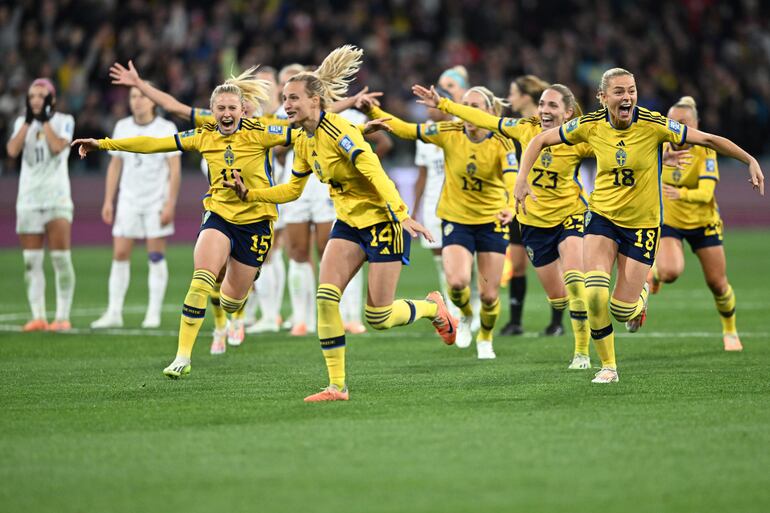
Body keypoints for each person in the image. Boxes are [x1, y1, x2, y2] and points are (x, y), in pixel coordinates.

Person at [224, 45, 456, 401]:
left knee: (378, 317)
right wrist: (250, 195)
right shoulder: (303, 139)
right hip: (348, 224)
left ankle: (432, 308)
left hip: (382, 222)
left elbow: (372, 168)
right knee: (326, 297)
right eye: (284, 98)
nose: (286, 104)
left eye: (293, 98)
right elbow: (290, 190)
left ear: (316, 100)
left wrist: (401, 212)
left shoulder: (340, 131)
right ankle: (337, 386)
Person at [515, 68, 764, 383]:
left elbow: (708, 139)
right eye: (619, 91)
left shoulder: (653, 124)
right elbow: (540, 140)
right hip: (602, 218)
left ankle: (641, 295)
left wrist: (749, 159)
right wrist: (522, 178)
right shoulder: (589, 125)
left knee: (622, 310)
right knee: (594, 293)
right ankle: (609, 367)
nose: (627, 97)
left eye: (631, 90)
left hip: (642, 226)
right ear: (603, 97)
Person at [73, 67, 294, 378]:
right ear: (212, 111)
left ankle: (234, 311)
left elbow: (307, 130)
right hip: (218, 215)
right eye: (221, 109)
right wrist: (105, 144)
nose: (227, 113)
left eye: (232, 108)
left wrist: (357, 132)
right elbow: (153, 144)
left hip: (256, 222)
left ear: (243, 109)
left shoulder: (262, 132)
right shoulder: (204, 134)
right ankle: (182, 357)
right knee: (202, 278)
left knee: (232, 301)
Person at [415, 83, 594, 369]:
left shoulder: (580, 136)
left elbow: (615, 150)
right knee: (559, 298)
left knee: (575, 280)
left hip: (570, 215)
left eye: (552, 106)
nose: (545, 111)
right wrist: (444, 104)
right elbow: (486, 120)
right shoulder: (524, 128)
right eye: (543, 105)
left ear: (568, 112)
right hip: (534, 222)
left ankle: (582, 353)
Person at [363, 86, 519, 359]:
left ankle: (485, 337)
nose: (470, 111)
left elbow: (511, 178)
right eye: (466, 104)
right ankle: (467, 316)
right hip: (456, 218)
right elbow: (406, 130)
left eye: (477, 106)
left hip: (492, 219)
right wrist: (372, 111)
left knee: (489, 296)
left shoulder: (501, 142)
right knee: (457, 283)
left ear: (490, 112)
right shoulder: (450, 134)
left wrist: (509, 207)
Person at [650, 96, 744, 352]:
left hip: (704, 223)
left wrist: (681, 194)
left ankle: (730, 331)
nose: (677, 127)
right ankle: (655, 274)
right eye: (672, 122)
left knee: (717, 283)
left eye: (683, 122)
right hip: (670, 222)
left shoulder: (705, 150)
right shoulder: (658, 147)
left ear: (696, 125)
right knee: (670, 272)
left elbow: (705, 193)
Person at [91, 85, 181, 329]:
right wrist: (109, 200)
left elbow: (174, 170)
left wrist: (170, 203)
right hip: (129, 200)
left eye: (142, 96)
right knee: (119, 254)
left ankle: (153, 314)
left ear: (153, 101)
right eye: (133, 97)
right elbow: (115, 166)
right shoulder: (122, 127)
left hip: (156, 200)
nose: (137, 101)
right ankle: (114, 312)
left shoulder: (166, 129)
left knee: (155, 255)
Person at [6, 78, 76, 332]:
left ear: (52, 99)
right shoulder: (20, 123)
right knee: (31, 261)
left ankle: (62, 316)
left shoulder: (64, 120)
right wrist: (27, 121)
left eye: (41, 95)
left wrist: (44, 119)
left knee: (60, 259)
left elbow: (58, 147)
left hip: (56, 197)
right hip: (28, 199)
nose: (36, 99)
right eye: (32, 96)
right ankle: (38, 316)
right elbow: (12, 150)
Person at [501, 74, 564, 337]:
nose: (509, 97)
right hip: (518, 203)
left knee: (555, 265)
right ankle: (515, 321)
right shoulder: (517, 127)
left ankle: (557, 321)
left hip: (548, 204)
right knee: (516, 263)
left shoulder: (549, 126)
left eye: (513, 92)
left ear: (525, 96)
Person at [411, 86, 458, 319]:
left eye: (431, 106)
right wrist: (415, 209)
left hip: (461, 203)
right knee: (441, 260)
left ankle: (475, 303)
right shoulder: (425, 134)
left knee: (464, 259)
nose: (428, 112)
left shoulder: (462, 126)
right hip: (433, 204)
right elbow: (422, 175)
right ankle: (453, 309)